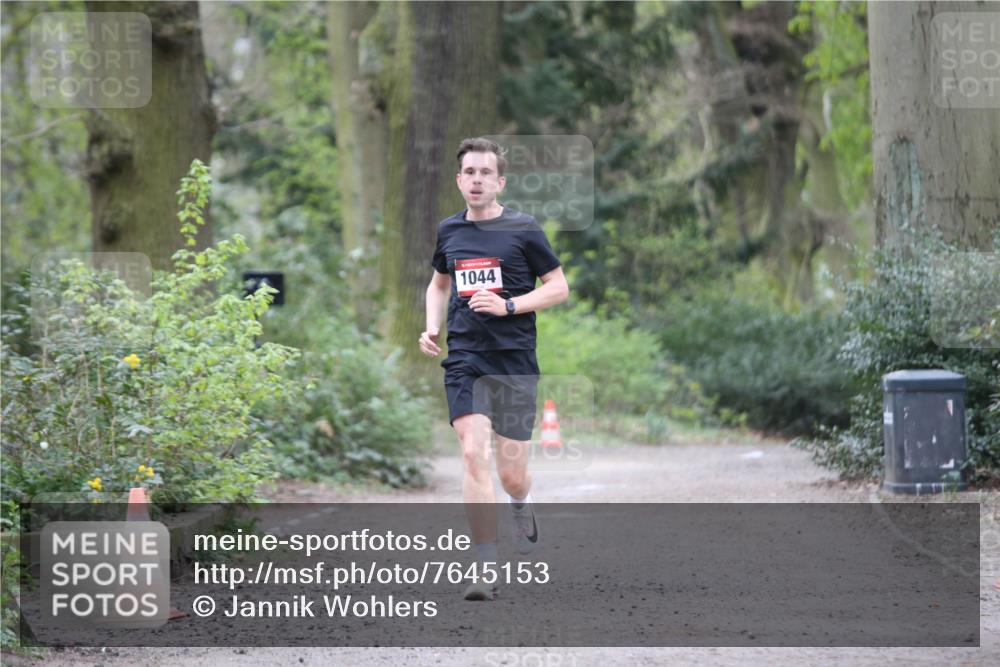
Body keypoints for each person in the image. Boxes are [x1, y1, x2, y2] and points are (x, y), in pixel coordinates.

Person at [419, 137, 569, 601]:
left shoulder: (524, 229)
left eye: (486, 172)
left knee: (512, 474)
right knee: (471, 452)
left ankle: (520, 502)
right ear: (458, 180)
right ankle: (485, 566)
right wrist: (431, 326)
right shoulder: (449, 231)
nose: (477, 180)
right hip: (466, 357)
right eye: (470, 172)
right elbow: (439, 284)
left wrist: (509, 306)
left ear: (500, 182)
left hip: (514, 360)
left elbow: (559, 287)